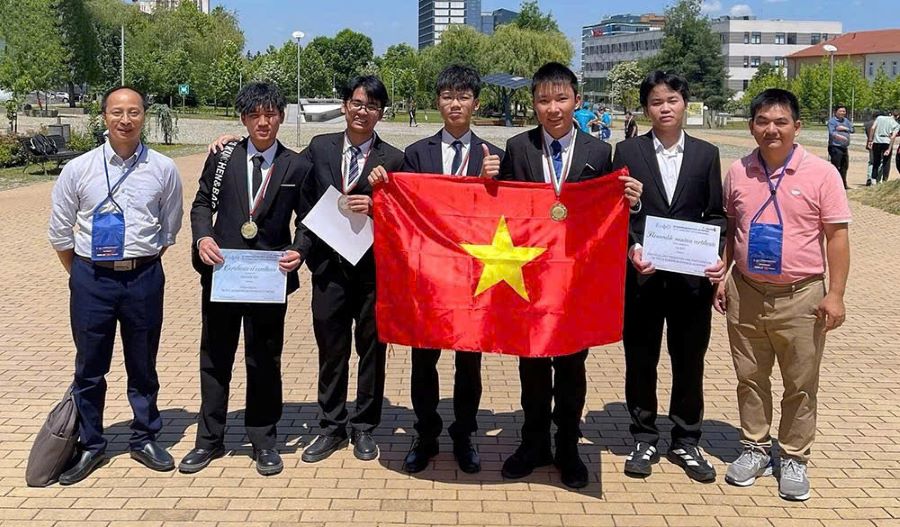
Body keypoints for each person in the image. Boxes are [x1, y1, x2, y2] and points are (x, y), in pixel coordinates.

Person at [496, 62, 643, 489]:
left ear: (577, 102)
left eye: (561, 99)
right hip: (531, 280)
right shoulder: (517, 148)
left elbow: (610, 217)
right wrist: (492, 183)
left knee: (572, 365)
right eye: (543, 99)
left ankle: (567, 446)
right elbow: (501, 214)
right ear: (534, 104)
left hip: (577, 281)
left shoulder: (599, 153)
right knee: (533, 363)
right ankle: (533, 440)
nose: (552, 108)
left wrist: (630, 203)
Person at [715, 88, 851, 501]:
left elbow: (837, 237)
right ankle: (754, 447)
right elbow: (732, 226)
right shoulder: (738, 171)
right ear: (752, 126)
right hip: (747, 292)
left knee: (801, 382)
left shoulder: (823, 174)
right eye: (762, 121)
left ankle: (793, 456)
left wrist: (837, 294)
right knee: (750, 378)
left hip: (802, 296)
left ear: (797, 127)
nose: (771, 129)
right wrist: (723, 275)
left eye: (780, 122)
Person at [368, 64, 504, 474]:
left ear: (475, 103)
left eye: (464, 97)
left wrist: (491, 184)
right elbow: (403, 211)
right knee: (423, 361)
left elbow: (509, 218)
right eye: (448, 96)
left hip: (475, 279)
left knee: (469, 362)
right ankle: (425, 434)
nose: (455, 104)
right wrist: (381, 185)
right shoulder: (418, 154)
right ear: (438, 102)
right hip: (428, 278)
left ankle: (464, 435)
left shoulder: (495, 157)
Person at [47, 86, 184, 485]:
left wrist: (140, 261)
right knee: (89, 366)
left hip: (143, 276)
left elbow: (169, 226)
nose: (126, 120)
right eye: (117, 112)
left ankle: (144, 436)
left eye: (134, 112)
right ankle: (91, 442)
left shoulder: (163, 168)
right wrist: (82, 274)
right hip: (91, 278)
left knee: (143, 363)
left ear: (145, 116)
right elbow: (60, 232)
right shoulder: (79, 168)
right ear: (104, 116)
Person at [179, 82, 304, 477]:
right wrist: (202, 237)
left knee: (264, 360)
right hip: (223, 274)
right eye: (254, 115)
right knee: (215, 359)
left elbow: (310, 220)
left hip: (269, 279)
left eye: (270, 114)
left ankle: (264, 440)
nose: (263, 122)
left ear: (281, 116)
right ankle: (209, 440)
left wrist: (300, 249)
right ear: (243, 119)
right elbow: (202, 202)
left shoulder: (296, 165)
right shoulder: (222, 157)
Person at [613, 71, 726, 483]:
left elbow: (715, 214)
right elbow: (617, 212)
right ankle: (643, 435)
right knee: (640, 359)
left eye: (672, 100)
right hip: (642, 277)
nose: (665, 108)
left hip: (691, 282)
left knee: (689, 360)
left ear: (684, 104)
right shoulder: (626, 150)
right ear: (646, 108)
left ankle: (686, 438)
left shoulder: (705, 154)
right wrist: (632, 245)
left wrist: (716, 255)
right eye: (656, 101)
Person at [298, 76, 405, 464]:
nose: (363, 112)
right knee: (332, 348)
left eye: (373, 106)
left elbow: (407, 215)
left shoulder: (393, 159)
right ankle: (330, 425)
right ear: (345, 105)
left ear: (381, 113)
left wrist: (378, 206)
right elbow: (297, 189)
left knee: (372, 350)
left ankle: (364, 426)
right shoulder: (319, 147)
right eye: (358, 103)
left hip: (373, 272)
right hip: (328, 267)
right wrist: (231, 146)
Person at [826, 104, 854, 189]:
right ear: (836, 112)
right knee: (835, 166)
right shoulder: (832, 121)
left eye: (844, 111)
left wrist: (844, 129)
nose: (843, 113)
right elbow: (831, 132)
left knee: (844, 166)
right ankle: (833, 185)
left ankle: (843, 184)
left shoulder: (846, 121)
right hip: (835, 146)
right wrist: (839, 136)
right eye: (841, 111)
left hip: (844, 147)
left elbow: (852, 130)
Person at [869, 109, 899, 184]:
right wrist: (889, 149)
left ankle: (873, 179)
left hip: (877, 141)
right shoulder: (896, 124)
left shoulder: (880, 118)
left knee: (876, 161)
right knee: (886, 162)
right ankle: (884, 180)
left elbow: (872, 128)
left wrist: (870, 140)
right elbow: (893, 137)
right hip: (887, 142)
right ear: (898, 116)